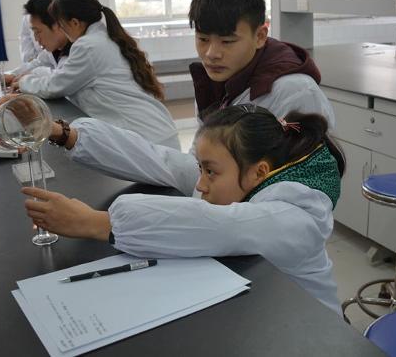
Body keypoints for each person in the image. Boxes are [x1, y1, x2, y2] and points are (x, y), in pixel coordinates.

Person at [22, 105, 345, 314]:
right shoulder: (243, 176)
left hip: (309, 335)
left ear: (259, 172)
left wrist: (97, 223)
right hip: (263, 314)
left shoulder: (295, 214)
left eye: (210, 171)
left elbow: (223, 226)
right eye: (201, 168)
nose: (201, 183)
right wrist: (64, 133)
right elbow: (160, 159)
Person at [42, 0, 334, 193]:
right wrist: (70, 136)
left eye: (227, 41)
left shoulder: (294, 93)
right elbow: (196, 169)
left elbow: (300, 198)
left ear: (260, 35)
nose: (211, 53)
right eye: (203, 39)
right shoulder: (220, 82)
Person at [6, 0, 180, 149]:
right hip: (152, 131)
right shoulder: (104, 37)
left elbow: (55, 86)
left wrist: (23, 82)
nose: (62, 31)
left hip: (148, 137)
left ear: (75, 23)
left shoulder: (88, 46)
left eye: (62, 26)